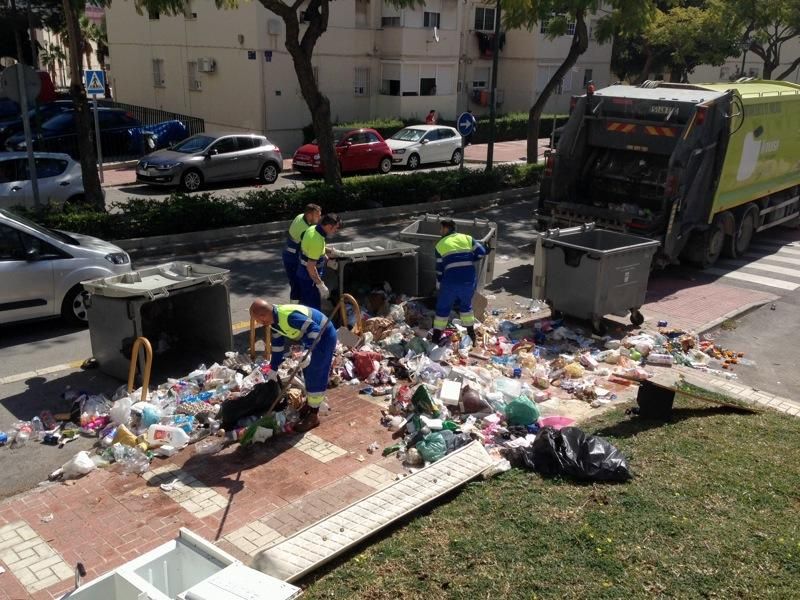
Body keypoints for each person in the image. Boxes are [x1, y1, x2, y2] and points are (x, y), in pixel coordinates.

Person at [250, 299, 337, 432]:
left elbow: (315, 330)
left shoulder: (289, 316)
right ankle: (311, 404)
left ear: (263, 316)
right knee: (307, 372)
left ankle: (314, 416)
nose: (258, 323)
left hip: (323, 337)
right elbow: (278, 346)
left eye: (258, 320)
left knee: (316, 373)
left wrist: (307, 352)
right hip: (311, 339)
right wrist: (273, 368)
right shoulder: (274, 320)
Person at [432, 219, 487, 345]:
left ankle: (435, 339)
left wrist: (439, 283)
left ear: (446, 229)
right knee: (466, 306)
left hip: (450, 281)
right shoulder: (467, 238)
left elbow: (439, 269)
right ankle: (472, 336)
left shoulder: (440, 244)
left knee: (443, 308)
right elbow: (482, 252)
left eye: (441, 229)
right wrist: (469, 259)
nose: (440, 231)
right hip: (468, 280)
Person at [296, 213, 343, 309]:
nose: (336, 231)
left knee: (305, 305)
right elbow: (310, 267)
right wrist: (321, 285)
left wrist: (327, 260)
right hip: (309, 278)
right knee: (313, 309)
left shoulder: (313, 229)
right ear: (329, 226)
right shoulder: (316, 240)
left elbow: (316, 250)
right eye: (336, 228)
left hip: (304, 274)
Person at [283, 203, 322, 302]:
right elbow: (311, 246)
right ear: (309, 215)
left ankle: (297, 306)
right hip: (293, 258)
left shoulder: (300, 216)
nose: (319, 218)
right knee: (296, 285)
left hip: (289, 254)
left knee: (296, 284)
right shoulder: (304, 230)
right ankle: (294, 309)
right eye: (317, 215)